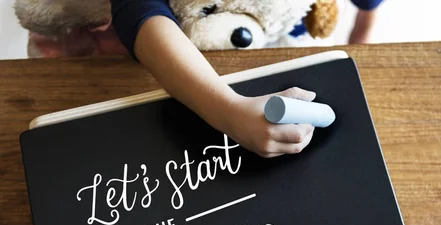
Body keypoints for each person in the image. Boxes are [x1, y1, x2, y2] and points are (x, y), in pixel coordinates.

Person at [108, 0, 384, 158]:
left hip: (289, 42)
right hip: (185, 53)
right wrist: (228, 109)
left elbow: (367, 12)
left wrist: (362, 40)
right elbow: (137, 10)